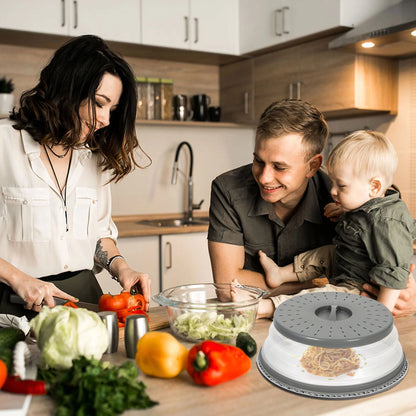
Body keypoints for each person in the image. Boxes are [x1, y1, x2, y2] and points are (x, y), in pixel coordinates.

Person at [208, 99, 416, 318]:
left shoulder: (345, 193)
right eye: (258, 161)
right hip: (256, 323)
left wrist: (409, 299)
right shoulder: (228, 190)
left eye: (280, 167)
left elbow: (392, 268)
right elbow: (226, 287)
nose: (264, 177)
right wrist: (322, 285)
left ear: (313, 166)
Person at [0, 35, 151, 319]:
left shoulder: (93, 156)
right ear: (67, 89)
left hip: (84, 300)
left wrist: (122, 267)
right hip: (15, 304)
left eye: (112, 109)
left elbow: (98, 234)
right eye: (99, 103)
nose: (106, 119)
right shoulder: (3, 143)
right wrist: (18, 279)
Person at [260, 130, 416, 312]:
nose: (333, 191)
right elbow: (365, 227)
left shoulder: (388, 222)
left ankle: (268, 307)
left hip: (358, 288)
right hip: (348, 265)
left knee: (323, 295)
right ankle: (280, 274)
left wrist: (381, 314)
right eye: (333, 183)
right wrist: (344, 210)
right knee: (326, 254)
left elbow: (393, 272)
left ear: (374, 187)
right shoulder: (368, 204)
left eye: (341, 185)